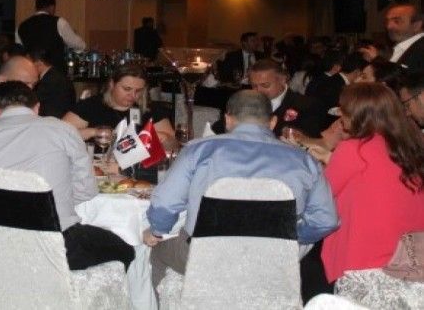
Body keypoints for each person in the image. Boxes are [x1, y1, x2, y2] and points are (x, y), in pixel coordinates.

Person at [145, 90, 338, 290]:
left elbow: (165, 205)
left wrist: (158, 230)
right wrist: (294, 237)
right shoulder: (305, 161)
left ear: (228, 120)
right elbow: (326, 220)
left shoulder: (198, 150)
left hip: (206, 257)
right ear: (273, 122)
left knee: (158, 253)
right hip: (270, 262)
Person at [0, 81, 134, 270]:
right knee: (126, 250)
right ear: (37, 107)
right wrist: (55, 202)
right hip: (58, 245)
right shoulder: (63, 130)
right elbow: (87, 190)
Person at [320, 83, 424, 283]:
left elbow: (322, 194)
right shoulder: (412, 146)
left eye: (343, 109)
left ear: (357, 114)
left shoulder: (355, 149)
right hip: (411, 260)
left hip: (366, 261)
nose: (340, 114)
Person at [63, 63, 176, 144]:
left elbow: (173, 144)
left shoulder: (151, 109)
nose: (133, 95)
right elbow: (59, 135)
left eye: (138, 91)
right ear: (112, 84)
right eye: (127, 89)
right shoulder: (91, 105)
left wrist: (165, 138)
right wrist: (94, 132)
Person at [215, 59, 325, 138]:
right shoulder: (245, 101)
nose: (258, 91)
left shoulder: (307, 105)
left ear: (283, 80)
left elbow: (310, 141)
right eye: (254, 86)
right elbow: (218, 129)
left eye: (265, 85)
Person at [17, 0, 86, 72]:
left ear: (36, 7)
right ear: (52, 7)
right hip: (55, 71)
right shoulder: (59, 22)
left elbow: (19, 50)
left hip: (31, 71)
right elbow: (78, 44)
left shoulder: (21, 26)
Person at [361, 3, 424, 71]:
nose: (389, 26)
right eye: (387, 21)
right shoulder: (403, 47)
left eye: (397, 21)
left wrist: (376, 60)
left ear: (416, 25)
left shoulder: (420, 49)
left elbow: (403, 75)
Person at [29, 48, 76, 118]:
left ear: (39, 63)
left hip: (54, 120)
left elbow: (31, 101)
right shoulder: (55, 75)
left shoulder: (50, 81)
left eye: (29, 63)